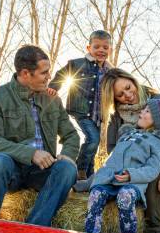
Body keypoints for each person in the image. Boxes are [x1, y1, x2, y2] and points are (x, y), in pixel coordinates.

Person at [0, 45, 79, 226]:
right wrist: (30, 154)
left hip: (41, 172)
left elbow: (71, 135)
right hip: (12, 169)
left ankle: (33, 229)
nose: (49, 77)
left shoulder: (52, 99)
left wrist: (67, 155)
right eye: (44, 73)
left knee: (67, 168)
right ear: (25, 74)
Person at [100, 68, 160, 233]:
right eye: (120, 94)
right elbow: (111, 148)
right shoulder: (117, 117)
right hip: (138, 167)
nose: (128, 94)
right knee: (150, 195)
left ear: (132, 81)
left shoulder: (158, 101)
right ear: (114, 99)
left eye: (128, 87)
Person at [85, 99, 160, 233]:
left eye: (147, 111)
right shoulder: (126, 135)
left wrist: (131, 175)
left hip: (132, 184)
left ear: (157, 120)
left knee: (125, 196)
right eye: (143, 109)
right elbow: (110, 162)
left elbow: (152, 170)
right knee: (95, 194)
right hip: (111, 180)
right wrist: (88, 182)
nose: (141, 113)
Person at [47, 30, 113, 180]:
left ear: (110, 49)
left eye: (105, 47)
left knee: (93, 144)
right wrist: (54, 87)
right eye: (96, 47)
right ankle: (80, 168)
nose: (101, 50)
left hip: (98, 114)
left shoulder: (110, 71)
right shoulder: (77, 63)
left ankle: (89, 176)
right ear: (88, 48)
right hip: (81, 110)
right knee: (93, 138)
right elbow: (62, 74)